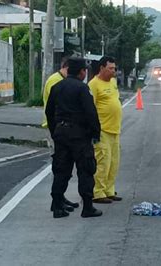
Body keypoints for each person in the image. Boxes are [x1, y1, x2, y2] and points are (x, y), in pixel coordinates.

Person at [45, 57, 102, 219]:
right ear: (82, 72)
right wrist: (95, 133)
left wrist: (54, 130)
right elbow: (91, 113)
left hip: (61, 132)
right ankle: (88, 207)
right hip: (79, 135)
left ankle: (57, 207)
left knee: (61, 170)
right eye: (85, 70)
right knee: (85, 169)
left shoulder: (57, 87)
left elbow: (49, 112)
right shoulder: (82, 89)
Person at [41, 57, 79, 213]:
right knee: (60, 166)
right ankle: (56, 200)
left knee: (65, 166)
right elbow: (54, 107)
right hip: (56, 128)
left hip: (62, 128)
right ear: (65, 68)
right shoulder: (55, 81)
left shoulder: (61, 80)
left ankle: (60, 197)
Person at [89, 56, 123, 204]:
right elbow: (90, 107)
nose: (113, 71)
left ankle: (109, 190)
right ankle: (97, 192)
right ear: (101, 68)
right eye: (110, 68)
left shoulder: (113, 83)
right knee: (103, 162)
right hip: (102, 130)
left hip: (115, 129)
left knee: (114, 163)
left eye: (114, 68)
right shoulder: (94, 84)